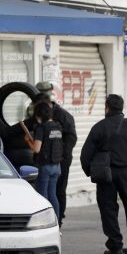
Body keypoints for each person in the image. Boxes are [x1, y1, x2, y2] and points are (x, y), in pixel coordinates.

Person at [80, 94, 127, 254]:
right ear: (122, 108)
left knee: (108, 210)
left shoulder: (99, 127)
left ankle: (116, 247)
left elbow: (85, 155)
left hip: (106, 175)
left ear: (107, 108)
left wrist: (91, 171)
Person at [32, 90, 77, 227]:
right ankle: (55, 221)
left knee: (50, 192)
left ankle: (53, 221)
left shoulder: (62, 117)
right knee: (53, 193)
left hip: (56, 161)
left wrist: (58, 154)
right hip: (55, 163)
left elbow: (71, 138)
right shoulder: (53, 123)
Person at [24, 101, 63, 219]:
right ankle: (56, 224)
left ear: (39, 115)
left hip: (45, 166)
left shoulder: (42, 128)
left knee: (43, 196)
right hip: (56, 166)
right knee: (53, 195)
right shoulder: (58, 126)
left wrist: (28, 140)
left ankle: (45, 223)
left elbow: (36, 149)